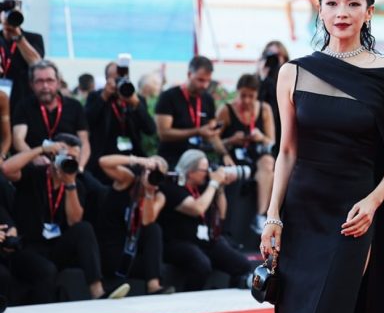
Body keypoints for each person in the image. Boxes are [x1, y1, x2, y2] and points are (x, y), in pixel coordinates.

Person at [260, 0, 384, 313]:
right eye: (332, 3)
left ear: (369, 12)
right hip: (301, 214)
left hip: (352, 216)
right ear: (320, 9)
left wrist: (373, 202)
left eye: (353, 4)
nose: (342, 12)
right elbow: (287, 151)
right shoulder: (293, 72)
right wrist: (273, 215)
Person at [3, 134, 129, 303]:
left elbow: (74, 221)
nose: (69, 161)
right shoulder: (35, 174)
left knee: (84, 228)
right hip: (26, 246)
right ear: (54, 155)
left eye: (74, 158)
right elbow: (6, 169)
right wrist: (41, 149)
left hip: (55, 246)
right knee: (47, 270)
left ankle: (97, 291)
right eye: (65, 156)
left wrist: (70, 184)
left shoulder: (76, 185)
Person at [159, 149, 251, 291]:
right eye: (204, 170)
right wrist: (213, 183)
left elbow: (222, 214)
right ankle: (189, 299)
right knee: (201, 264)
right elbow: (197, 208)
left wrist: (220, 187)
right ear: (191, 172)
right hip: (178, 242)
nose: (207, 173)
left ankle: (230, 296)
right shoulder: (172, 187)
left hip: (205, 241)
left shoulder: (203, 187)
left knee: (242, 265)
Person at [98, 153, 173, 295]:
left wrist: (149, 193)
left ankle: (153, 286)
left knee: (154, 229)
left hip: (133, 255)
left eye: (158, 174)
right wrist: (140, 160)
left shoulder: (158, 196)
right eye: (150, 171)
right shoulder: (128, 180)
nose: (152, 175)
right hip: (112, 250)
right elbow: (103, 162)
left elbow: (146, 221)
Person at [216, 74, 275, 235]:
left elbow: (271, 142)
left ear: (257, 94)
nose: (247, 100)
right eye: (243, 96)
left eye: (251, 96)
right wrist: (231, 140)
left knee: (269, 164)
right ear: (237, 92)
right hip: (232, 156)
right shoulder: (226, 110)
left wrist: (260, 137)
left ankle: (260, 215)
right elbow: (214, 140)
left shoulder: (264, 109)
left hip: (256, 155)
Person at [12, 60, 91, 172]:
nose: (45, 86)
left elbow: (84, 142)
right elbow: (18, 140)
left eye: (50, 80)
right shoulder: (23, 106)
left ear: (58, 83)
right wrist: (35, 158)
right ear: (31, 84)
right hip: (35, 168)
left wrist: (80, 167)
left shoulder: (75, 106)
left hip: (68, 167)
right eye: (39, 81)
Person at [154, 56, 233, 167]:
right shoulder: (169, 96)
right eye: (200, 80)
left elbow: (213, 134)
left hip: (198, 162)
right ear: (189, 74)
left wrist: (224, 154)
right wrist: (198, 131)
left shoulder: (208, 99)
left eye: (208, 81)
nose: (205, 85)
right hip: (172, 159)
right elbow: (163, 134)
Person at [85, 61, 156, 183]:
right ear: (107, 79)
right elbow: (86, 122)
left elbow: (150, 129)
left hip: (132, 158)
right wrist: (104, 96)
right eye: (114, 78)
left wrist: (136, 104)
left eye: (122, 77)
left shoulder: (136, 99)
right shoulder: (96, 97)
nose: (118, 81)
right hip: (103, 160)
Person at [0, 0, 45, 112]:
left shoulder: (34, 38)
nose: (9, 17)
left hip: (24, 100)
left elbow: (37, 63)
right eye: (5, 12)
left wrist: (18, 37)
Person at [257, 40, 289, 155]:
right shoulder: (258, 79)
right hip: (262, 128)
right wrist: (262, 77)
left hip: (281, 126)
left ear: (284, 57)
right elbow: (256, 101)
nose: (273, 59)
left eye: (277, 55)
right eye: (269, 54)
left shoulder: (288, 78)